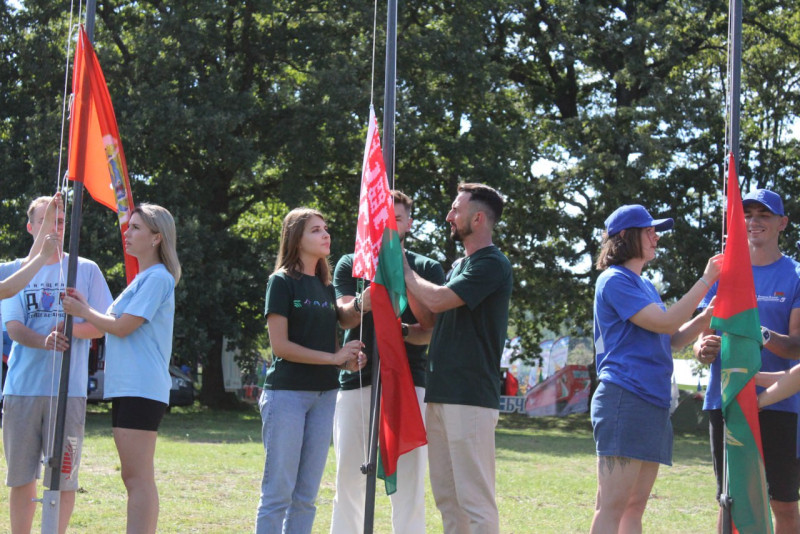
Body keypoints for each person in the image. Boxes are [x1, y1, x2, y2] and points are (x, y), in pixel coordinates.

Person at [590, 204, 723, 533]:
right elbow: (664, 323)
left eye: (656, 230)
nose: (656, 236)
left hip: (651, 401)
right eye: (648, 230)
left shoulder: (644, 285)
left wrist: (705, 318)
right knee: (612, 506)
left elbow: (672, 338)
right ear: (623, 237)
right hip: (625, 397)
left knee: (634, 507)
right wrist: (707, 280)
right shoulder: (614, 280)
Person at [330, 190, 445, 534]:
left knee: (410, 479)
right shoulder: (351, 264)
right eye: (382, 220)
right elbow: (344, 317)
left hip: (410, 382)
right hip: (358, 380)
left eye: (396, 220)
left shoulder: (427, 267)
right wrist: (366, 302)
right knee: (348, 476)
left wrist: (403, 329)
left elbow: (432, 328)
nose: (388, 227)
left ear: (408, 224)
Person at [62, 203, 180, 534]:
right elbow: (113, 323)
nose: (127, 233)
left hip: (141, 387)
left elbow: (123, 326)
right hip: (130, 387)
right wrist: (84, 310)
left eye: (136, 228)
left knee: (138, 477)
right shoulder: (144, 279)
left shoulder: (157, 278)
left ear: (157, 238)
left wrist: (82, 309)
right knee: (133, 476)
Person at [402, 183, 512, 534]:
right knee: (449, 501)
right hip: (442, 393)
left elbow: (438, 300)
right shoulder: (461, 264)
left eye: (455, 209)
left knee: (475, 503)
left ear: (478, 218)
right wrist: (399, 330)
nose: (449, 216)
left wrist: (402, 267)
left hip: (470, 397)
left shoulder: (492, 263)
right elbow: (431, 323)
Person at [2, 195, 112, 534]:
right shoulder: (14, 270)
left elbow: (106, 322)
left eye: (61, 220)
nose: (55, 227)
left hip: (70, 392)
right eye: (48, 219)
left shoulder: (86, 269)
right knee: (21, 476)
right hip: (23, 390)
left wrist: (72, 329)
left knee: (64, 478)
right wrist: (44, 341)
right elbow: (14, 328)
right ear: (31, 226)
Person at [694, 189, 800, 534]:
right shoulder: (722, 271)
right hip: (725, 399)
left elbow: (797, 346)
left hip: (781, 402)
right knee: (730, 499)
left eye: (763, 215)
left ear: (782, 223)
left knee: (783, 502)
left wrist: (759, 333)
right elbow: (701, 334)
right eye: (747, 215)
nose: (754, 222)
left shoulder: (795, 274)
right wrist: (702, 349)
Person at [255, 207, 366, 534]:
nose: (325, 234)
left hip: (325, 396)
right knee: (278, 493)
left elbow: (326, 346)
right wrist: (334, 359)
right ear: (296, 238)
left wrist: (346, 359)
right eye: (316, 230)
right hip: (286, 396)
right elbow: (281, 347)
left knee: (306, 497)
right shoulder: (281, 282)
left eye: (325, 228)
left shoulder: (325, 286)